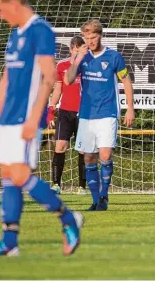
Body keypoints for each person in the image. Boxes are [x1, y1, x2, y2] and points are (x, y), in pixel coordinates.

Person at [0, 0, 83, 257]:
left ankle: (69, 218)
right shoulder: (15, 34)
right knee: (8, 177)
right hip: (7, 119)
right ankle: (9, 242)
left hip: (26, 117)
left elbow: (49, 77)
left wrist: (35, 116)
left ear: (14, 3)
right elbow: (5, 81)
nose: (0, 16)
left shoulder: (40, 30)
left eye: (1, 9)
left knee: (21, 175)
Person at [64, 19, 135, 211]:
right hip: (86, 115)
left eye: (93, 37)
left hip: (107, 113)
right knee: (88, 158)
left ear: (100, 35)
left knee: (105, 154)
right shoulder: (82, 57)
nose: (90, 40)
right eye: (86, 37)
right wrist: (77, 59)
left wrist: (130, 108)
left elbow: (126, 82)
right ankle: (96, 201)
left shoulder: (113, 56)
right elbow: (68, 80)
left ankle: (104, 196)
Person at [47, 35, 86, 195]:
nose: (77, 53)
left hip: (83, 113)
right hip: (65, 112)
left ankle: (82, 186)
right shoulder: (62, 66)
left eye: (80, 51)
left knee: (83, 149)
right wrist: (51, 110)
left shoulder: (87, 66)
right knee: (60, 145)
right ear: (70, 49)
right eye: (75, 50)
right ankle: (56, 184)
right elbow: (58, 89)